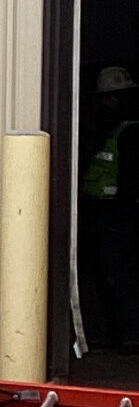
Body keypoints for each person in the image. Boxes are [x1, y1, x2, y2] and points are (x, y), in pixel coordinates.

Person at [79, 65, 139, 349]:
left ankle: (128, 334)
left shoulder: (129, 133)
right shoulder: (107, 130)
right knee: (109, 274)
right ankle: (120, 333)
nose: (108, 103)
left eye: (113, 98)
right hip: (105, 212)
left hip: (120, 215)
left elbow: (130, 180)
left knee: (118, 274)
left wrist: (119, 214)